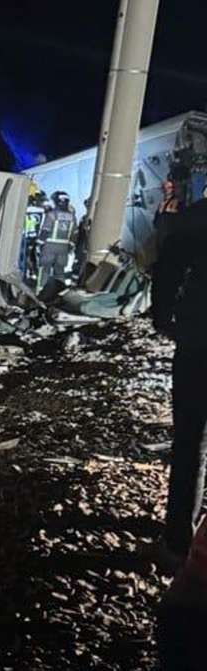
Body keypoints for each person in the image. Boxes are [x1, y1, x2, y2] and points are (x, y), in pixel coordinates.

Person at [152, 200, 207, 566]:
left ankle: (178, 543)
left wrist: (163, 317)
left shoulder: (199, 218)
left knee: (190, 440)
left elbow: (168, 267)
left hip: (199, 341)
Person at [37, 191, 78, 289]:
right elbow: (75, 234)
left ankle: (41, 290)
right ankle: (59, 291)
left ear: (57, 201)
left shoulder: (51, 215)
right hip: (64, 248)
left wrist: (39, 244)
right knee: (60, 271)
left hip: (49, 247)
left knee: (45, 270)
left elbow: (45, 231)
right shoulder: (73, 217)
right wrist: (70, 246)